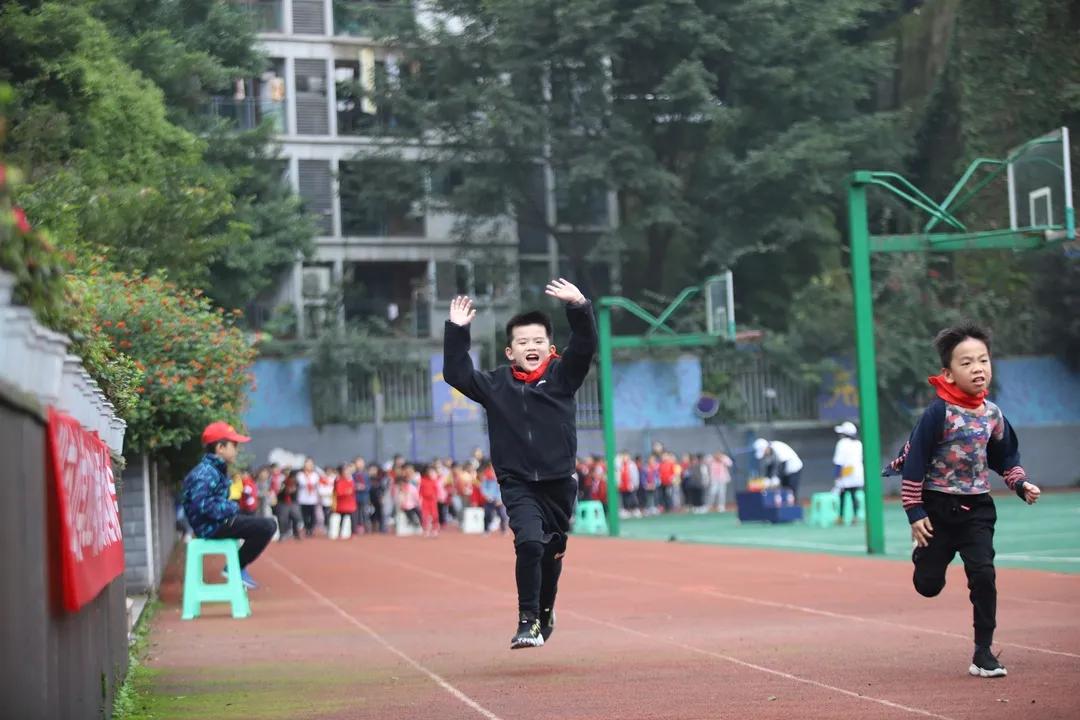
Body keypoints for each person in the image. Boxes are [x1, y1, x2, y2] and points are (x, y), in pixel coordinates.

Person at [443, 278, 596, 649]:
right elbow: (457, 374)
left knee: (551, 552)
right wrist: (457, 331)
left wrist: (578, 305)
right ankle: (527, 621)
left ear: (550, 348)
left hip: (559, 482)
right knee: (529, 543)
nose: (532, 346)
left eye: (538, 341)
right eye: (523, 342)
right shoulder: (495, 385)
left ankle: (545, 611)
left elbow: (585, 346)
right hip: (518, 482)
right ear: (510, 352)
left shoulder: (562, 377)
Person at [884, 322, 1040, 678]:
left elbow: (1005, 458)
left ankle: (983, 652)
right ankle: (924, 556)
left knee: (983, 574)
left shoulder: (993, 415)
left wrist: (1020, 484)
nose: (977, 369)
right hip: (936, 509)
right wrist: (915, 511)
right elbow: (915, 460)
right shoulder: (938, 414)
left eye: (983, 360)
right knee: (928, 586)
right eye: (967, 362)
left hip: (976, 509)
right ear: (949, 373)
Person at [181, 422, 276, 589]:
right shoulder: (205, 472)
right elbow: (202, 504)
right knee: (267, 526)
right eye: (234, 445)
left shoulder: (214, 469)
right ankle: (234, 567)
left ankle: (236, 567)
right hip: (210, 527)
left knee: (262, 523)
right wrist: (232, 507)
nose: (237, 450)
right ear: (220, 447)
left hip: (216, 522)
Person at [831, 421, 864, 523]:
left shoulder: (841, 444)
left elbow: (838, 461)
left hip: (845, 473)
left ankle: (840, 517)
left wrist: (836, 475)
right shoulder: (859, 443)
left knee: (842, 495)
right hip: (857, 473)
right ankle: (855, 516)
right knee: (854, 495)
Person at [752, 437, 804, 502]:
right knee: (783, 491)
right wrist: (768, 479)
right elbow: (769, 468)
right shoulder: (768, 455)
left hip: (794, 469)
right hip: (785, 472)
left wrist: (777, 478)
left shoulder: (777, 447)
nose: (764, 455)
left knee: (791, 490)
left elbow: (783, 464)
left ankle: (793, 508)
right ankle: (784, 508)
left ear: (766, 448)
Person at [330, 463, 357, 539]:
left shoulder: (351, 479)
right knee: (341, 519)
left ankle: (353, 533)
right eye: (345, 470)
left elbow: (353, 490)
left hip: (350, 503)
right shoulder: (338, 480)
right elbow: (338, 492)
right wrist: (346, 492)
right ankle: (339, 532)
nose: (347, 472)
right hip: (342, 504)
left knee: (352, 519)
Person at [296, 458, 321, 537]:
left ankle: (311, 529)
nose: (309, 466)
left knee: (313, 514)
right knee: (304, 515)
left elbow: (315, 484)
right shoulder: (300, 475)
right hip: (303, 498)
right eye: (307, 464)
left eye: (310, 464)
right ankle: (306, 528)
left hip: (312, 498)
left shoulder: (315, 475)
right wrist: (307, 479)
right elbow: (302, 483)